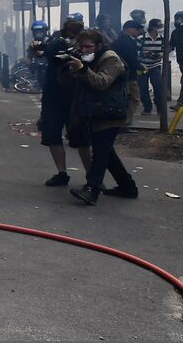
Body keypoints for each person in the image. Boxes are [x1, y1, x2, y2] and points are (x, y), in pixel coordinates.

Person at [60, 29, 138, 205]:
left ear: (99, 46)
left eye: (89, 46)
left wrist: (82, 69)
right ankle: (127, 186)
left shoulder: (110, 59)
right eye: (82, 47)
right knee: (106, 152)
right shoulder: (87, 58)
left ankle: (92, 189)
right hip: (95, 111)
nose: (85, 50)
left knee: (101, 152)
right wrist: (67, 68)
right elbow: (69, 85)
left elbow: (101, 83)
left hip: (111, 111)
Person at [32, 16, 89, 187]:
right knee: (53, 134)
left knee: (81, 138)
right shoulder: (56, 42)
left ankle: (91, 176)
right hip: (54, 94)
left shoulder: (86, 45)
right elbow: (44, 54)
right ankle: (62, 172)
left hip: (75, 96)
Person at [139, 19, 165, 115]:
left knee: (158, 86)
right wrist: (144, 53)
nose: (161, 28)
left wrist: (160, 55)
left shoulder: (161, 38)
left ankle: (159, 107)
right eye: (159, 26)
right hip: (142, 66)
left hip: (156, 65)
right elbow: (136, 51)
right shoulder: (142, 38)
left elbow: (163, 51)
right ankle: (147, 108)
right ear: (153, 27)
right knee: (143, 87)